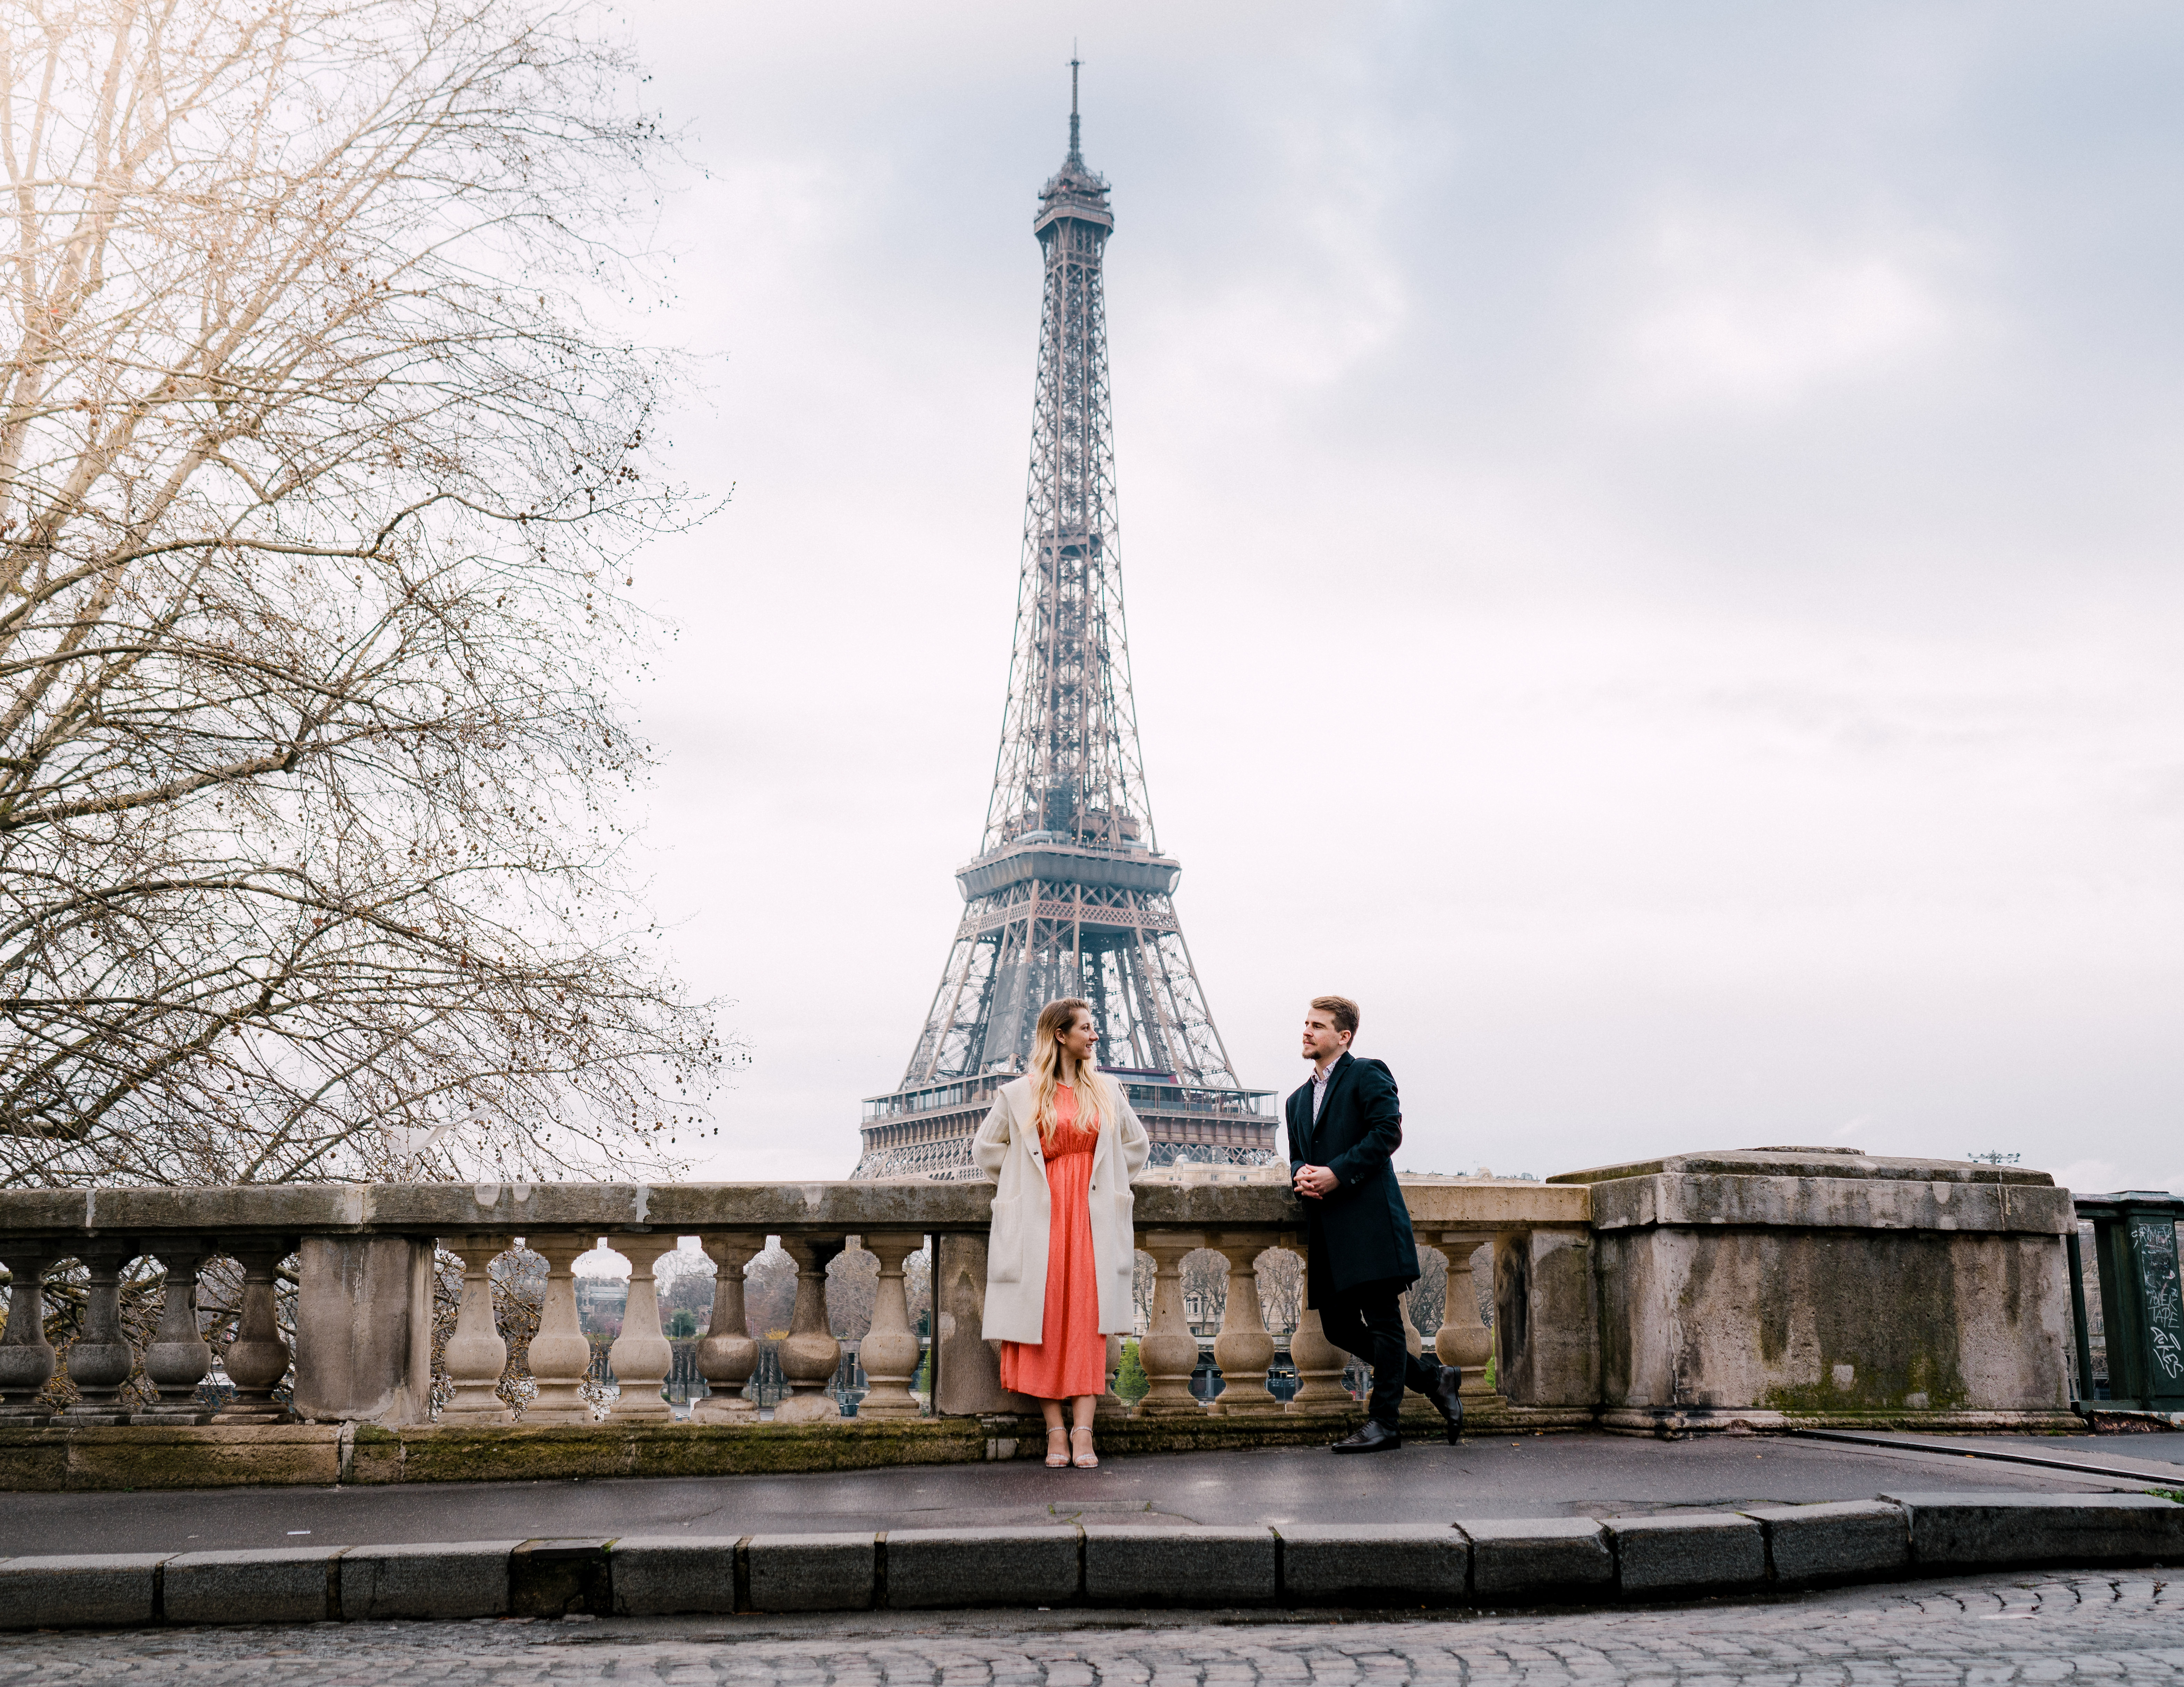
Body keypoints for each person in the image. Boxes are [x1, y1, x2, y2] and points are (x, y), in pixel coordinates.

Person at [974, 996, 1151, 1468]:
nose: (1095, 1036)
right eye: (1087, 1028)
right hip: (1040, 1218)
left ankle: (1083, 1433)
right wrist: (1023, 1181)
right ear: (1060, 1034)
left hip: (1092, 1220)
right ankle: (1056, 1432)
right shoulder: (1020, 1094)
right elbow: (986, 1149)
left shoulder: (1108, 1090)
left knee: (1086, 1327)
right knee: (1044, 1324)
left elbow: (1137, 1146)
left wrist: (1104, 1180)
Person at [1287, 994, 1464, 1453]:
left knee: (1384, 1323)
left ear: (1343, 1037)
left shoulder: (1366, 1072)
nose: (1306, 1031)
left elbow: (1387, 1132)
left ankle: (1384, 1423)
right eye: (1305, 1023)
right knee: (1337, 1329)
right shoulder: (1296, 1101)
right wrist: (1301, 1176)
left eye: (1318, 1026)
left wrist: (1336, 1174)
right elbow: (1298, 1157)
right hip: (1329, 1229)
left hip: (1367, 1222)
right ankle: (1434, 1378)